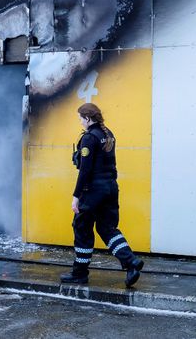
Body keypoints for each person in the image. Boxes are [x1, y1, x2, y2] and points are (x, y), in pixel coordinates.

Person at [60, 103, 144, 287]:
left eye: (81, 118)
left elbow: (85, 171)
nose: (80, 122)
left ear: (88, 118)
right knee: (107, 228)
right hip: (110, 188)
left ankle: (80, 273)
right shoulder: (108, 134)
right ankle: (131, 262)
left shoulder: (89, 138)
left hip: (92, 191)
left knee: (82, 227)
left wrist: (76, 196)